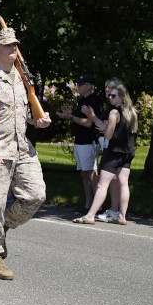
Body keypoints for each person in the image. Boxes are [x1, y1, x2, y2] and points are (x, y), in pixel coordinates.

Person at [0, 28, 51, 281]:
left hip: (23, 148)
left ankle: (4, 226)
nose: (13, 49)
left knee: (36, 194)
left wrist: (38, 120)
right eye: (7, 46)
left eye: (15, 45)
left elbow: (26, 113)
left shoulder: (22, 78)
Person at [74, 82, 138, 225]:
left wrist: (104, 127)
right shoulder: (132, 111)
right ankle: (122, 216)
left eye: (113, 96)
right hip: (128, 153)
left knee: (102, 185)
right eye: (109, 95)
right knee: (124, 184)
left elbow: (108, 136)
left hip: (114, 153)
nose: (110, 98)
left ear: (122, 97)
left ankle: (90, 215)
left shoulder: (114, 112)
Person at [57, 74, 105, 212]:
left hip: (88, 141)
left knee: (90, 173)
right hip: (81, 141)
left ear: (89, 86)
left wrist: (71, 117)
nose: (78, 86)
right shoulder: (83, 100)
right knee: (85, 174)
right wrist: (71, 114)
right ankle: (88, 204)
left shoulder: (93, 101)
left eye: (80, 84)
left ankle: (98, 205)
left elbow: (89, 123)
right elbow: (81, 118)